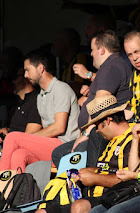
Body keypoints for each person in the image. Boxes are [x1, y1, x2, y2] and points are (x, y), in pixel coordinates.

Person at [36, 95, 140, 213]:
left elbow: (130, 178)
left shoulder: (134, 140)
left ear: (107, 120)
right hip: (91, 196)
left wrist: (95, 178)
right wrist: (86, 172)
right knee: (43, 210)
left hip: (113, 198)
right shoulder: (111, 141)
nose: (96, 130)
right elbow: (107, 169)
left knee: (79, 207)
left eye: (97, 125)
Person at [51, 31, 132, 169]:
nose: (91, 54)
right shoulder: (110, 66)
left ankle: (86, 189)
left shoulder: (111, 66)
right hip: (98, 129)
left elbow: (100, 103)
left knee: (72, 157)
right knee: (59, 154)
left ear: (102, 50)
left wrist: (86, 133)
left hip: (101, 131)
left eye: (93, 50)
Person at [0, 50, 80, 172]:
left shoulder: (61, 88)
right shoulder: (40, 96)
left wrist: (25, 139)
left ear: (41, 68)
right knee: (19, 154)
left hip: (67, 147)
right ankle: (15, 189)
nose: (25, 75)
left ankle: (0, 179)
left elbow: (59, 127)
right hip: (51, 145)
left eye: (27, 70)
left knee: (13, 138)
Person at [0, 68, 42, 176]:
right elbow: (20, 128)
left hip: (17, 152)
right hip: (6, 148)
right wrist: (7, 129)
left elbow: (29, 138)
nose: (12, 82)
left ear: (26, 78)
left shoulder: (35, 100)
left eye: (15, 78)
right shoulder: (20, 103)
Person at [53, 28, 91, 97]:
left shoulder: (80, 59)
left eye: (56, 40)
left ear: (67, 42)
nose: (54, 45)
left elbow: (78, 88)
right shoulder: (65, 65)